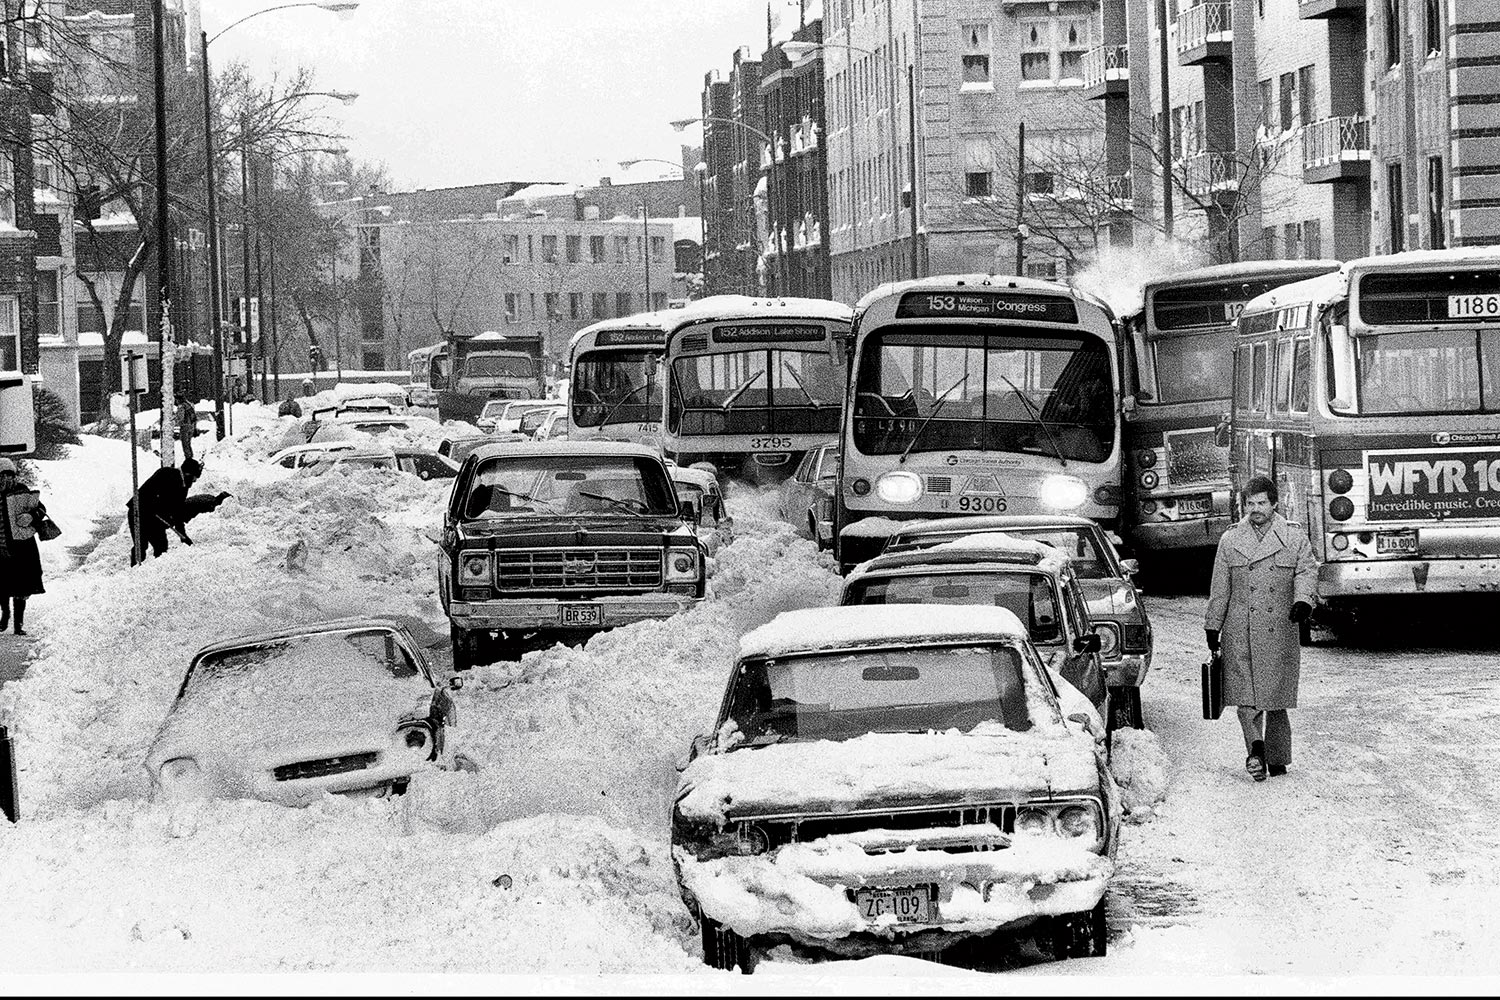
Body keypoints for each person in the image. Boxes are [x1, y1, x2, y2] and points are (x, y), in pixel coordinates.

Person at [1205, 475, 1318, 782]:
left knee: (1276, 698)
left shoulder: (1294, 537)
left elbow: (1307, 571)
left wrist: (1304, 600)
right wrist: (1213, 624)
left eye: (1261, 503)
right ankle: (1256, 748)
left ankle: (1278, 758)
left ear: (1274, 504)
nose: (1255, 509)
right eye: (1250, 503)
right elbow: (1220, 588)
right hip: (1239, 628)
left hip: (1280, 626)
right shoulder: (1230, 540)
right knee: (1245, 697)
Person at [0, 458, 46, 636]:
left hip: (22, 548)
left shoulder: (22, 491)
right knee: (2, 585)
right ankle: (5, 615)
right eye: (2, 475)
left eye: (9, 475)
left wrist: (31, 516)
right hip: (1, 546)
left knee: (21, 586)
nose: (5, 479)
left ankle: (18, 624)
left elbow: (41, 510)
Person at [127, 459, 202, 566]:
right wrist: (157, 511)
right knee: (141, 546)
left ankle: (159, 572)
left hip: (153, 516)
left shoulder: (183, 485)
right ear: (187, 474)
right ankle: (134, 574)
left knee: (161, 546)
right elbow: (151, 495)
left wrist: (183, 535)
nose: (194, 482)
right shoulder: (165, 473)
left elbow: (177, 510)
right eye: (194, 478)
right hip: (138, 512)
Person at [175, 394, 197, 462]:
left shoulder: (181, 406)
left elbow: (180, 418)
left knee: (185, 444)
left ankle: (188, 459)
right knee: (188, 443)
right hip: (191, 426)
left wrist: (175, 421)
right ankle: (190, 457)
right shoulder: (189, 405)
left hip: (185, 427)